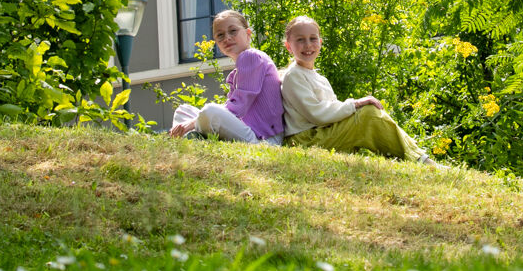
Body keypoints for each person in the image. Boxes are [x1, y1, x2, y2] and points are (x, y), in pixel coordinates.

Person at [279, 15, 437, 164]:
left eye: (312, 38)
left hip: (320, 134)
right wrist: (354, 104)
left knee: (368, 113)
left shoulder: (320, 79)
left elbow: (332, 112)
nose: (307, 45)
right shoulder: (293, 76)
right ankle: (420, 159)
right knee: (368, 114)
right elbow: (318, 114)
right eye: (300, 40)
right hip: (305, 140)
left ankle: (413, 156)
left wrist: (354, 108)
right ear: (288, 46)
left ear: (320, 42)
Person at [168, 9, 285, 144]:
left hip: (264, 139)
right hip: (246, 131)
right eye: (220, 35)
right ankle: (193, 137)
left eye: (233, 31)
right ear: (217, 43)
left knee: (210, 112)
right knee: (183, 110)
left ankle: (192, 136)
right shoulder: (235, 74)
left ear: (248, 34)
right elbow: (230, 110)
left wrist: (192, 123)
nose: (227, 38)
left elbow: (237, 107)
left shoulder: (252, 56)